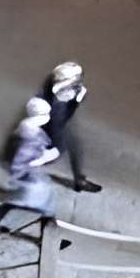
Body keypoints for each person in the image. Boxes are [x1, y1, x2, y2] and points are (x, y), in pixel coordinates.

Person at [0, 98, 61, 233]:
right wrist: (42, 158)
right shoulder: (28, 134)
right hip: (26, 175)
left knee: (26, 200)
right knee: (30, 201)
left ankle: (48, 223)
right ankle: (48, 227)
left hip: (28, 174)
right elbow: (22, 159)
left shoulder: (26, 128)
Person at [37, 58, 100, 193]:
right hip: (58, 121)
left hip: (60, 117)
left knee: (74, 148)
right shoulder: (55, 106)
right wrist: (76, 101)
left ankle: (79, 180)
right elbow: (61, 120)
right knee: (57, 150)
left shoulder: (54, 85)